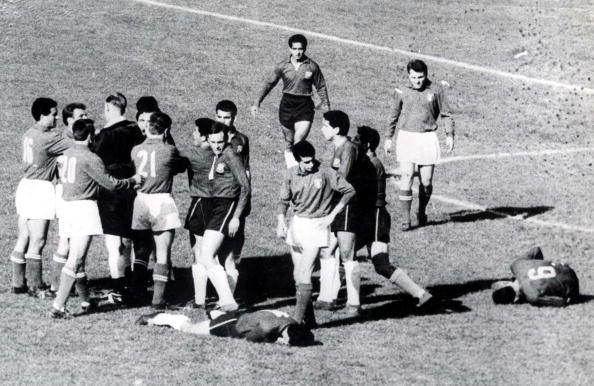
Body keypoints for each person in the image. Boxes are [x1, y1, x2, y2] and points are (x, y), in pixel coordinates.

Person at [50, 119, 143, 318]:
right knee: (76, 258)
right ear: (91, 137)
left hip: (66, 206)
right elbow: (110, 184)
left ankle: (85, 300)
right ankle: (58, 306)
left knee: (78, 259)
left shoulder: (65, 155)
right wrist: (131, 181)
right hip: (84, 208)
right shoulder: (91, 158)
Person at [354, 126, 434, 307]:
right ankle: (420, 294)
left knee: (372, 261)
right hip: (373, 218)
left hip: (372, 218)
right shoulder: (367, 163)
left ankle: (349, 302)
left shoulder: (371, 165)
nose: (353, 142)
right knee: (371, 262)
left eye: (357, 140)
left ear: (366, 145)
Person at [277, 141, 355, 326]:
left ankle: (296, 320)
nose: (310, 165)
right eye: (305, 162)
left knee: (305, 271)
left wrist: (332, 215)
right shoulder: (290, 174)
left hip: (317, 226)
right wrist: (281, 221)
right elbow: (283, 201)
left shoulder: (326, 172)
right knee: (298, 274)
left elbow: (349, 190)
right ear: (297, 161)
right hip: (297, 224)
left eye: (311, 161)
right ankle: (309, 319)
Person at [383, 59, 455, 230]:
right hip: (407, 137)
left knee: (427, 181)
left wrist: (449, 134)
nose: (417, 81)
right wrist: (388, 137)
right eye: (413, 77)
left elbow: (446, 114)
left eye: (420, 77)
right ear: (408, 75)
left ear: (426, 76)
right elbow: (393, 114)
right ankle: (406, 220)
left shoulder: (436, 90)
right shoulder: (401, 90)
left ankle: (421, 211)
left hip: (427, 138)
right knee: (406, 176)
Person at [11, 97, 71, 297]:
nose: (56, 118)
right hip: (40, 188)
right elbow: (77, 144)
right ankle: (36, 286)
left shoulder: (29, 133)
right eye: (53, 114)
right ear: (43, 115)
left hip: (25, 185)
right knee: (38, 240)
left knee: (24, 237)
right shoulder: (48, 138)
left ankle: (18, 282)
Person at [129, 112, 187, 309]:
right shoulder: (169, 150)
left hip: (140, 202)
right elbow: (179, 166)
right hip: (161, 201)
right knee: (162, 253)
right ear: (166, 130)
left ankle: (136, 293)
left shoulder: (136, 150)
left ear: (147, 128)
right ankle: (158, 300)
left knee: (141, 250)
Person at [191, 122, 251, 311]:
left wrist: (236, 216)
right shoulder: (215, 155)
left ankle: (227, 301)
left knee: (207, 255)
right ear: (208, 140)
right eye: (214, 141)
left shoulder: (230, 155)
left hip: (227, 206)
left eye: (221, 141)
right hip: (215, 205)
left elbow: (246, 187)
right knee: (210, 255)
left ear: (226, 139)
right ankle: (224, 301)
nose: (217, 145)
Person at [93, 92, 145, 303]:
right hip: (135, 191)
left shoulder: (104, 136)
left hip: (111, 194)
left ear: (108, 109)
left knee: (114, 243)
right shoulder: (136, 130)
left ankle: (117, 288)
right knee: (131, 238)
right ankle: (134, 284)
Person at [251, 34, 331, 168]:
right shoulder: (282, 66)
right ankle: (292, 169)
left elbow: (321, 87)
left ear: (305, 48)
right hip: (287, 106)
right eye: (294, 49)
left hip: (305, 106)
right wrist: (257, 102)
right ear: (290, 49)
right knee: (289, 142)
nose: (298, 52)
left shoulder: (312, 67)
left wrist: (327, 108)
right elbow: (270, 83)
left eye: (300, 49)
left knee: (298, 140)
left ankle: (299, 170)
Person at [315, 110, 367, 314]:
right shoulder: (335, 147)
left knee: (347, 253)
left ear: (336, 129)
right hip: (335, 205)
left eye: (325, 125)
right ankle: (327, 298)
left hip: (348, 206)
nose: (322, 129)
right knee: (327, 251)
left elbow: (341, 181)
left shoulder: (348, 149)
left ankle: (354, 303)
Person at [49, 103, 88, 296]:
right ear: (70, 120)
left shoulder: (74, 137)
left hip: (70, 193)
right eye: (81, 115)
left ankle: (61, 286)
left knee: (70, 242)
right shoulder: (66, 141)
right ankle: (59, 286)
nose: (85, 117)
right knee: (67, 242)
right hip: (67, 194)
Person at [214, 100, 250, 296]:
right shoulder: (212, 136)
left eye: (226, 117)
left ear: (234, 118)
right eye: (219, 116)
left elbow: (243, 177)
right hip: (216, 201)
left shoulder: (238, 142)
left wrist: (239, 211)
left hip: (234, 202)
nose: (222, 121)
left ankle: (231, 295)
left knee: (230, 250)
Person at [135, 309, 315, 346]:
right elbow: (250, 338)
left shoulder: (292, 320)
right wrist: (276, 342)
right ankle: (158, 317)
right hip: (230, 325)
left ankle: (215, 312)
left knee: (219, 316)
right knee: (189, 328)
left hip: (244, 316)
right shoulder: (269, 327)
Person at [184, 118, 216, 308]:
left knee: (199, 252)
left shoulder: (194, 154)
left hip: (201, 204)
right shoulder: (221, 153)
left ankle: (200, 300)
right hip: (220, 203)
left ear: (205, 137)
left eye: (196, 131)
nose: (193, 135)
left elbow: (173, 157)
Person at [492, 246, 580, 307]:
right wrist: (538, 265)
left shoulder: (532, 296)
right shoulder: (516, 265)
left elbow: (560, 302)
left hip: (573, 285)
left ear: (515, 299)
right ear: (506, 283)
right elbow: (536, 250)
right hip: (563, 267)